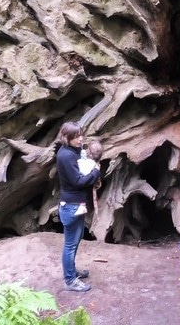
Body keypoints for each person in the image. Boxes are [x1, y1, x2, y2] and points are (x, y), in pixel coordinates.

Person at [55, 122, 100, 292]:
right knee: (70, 245)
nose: (81, 138)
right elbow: (78, 181)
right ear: (66, 137)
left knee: (76, 239)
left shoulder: (70, 152)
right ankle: (69, 280)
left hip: (76, 204)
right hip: (71, 205)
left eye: (81, 134)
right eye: (76, 136)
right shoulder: (65, 156)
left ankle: (71, 272)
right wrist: (95, 171)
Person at [75, 139, 103, 216]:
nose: (86, 151)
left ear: (91, 155)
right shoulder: (88, 161)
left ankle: (82, 206)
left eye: (89, 150)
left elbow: (84, 172)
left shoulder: (91, 164)